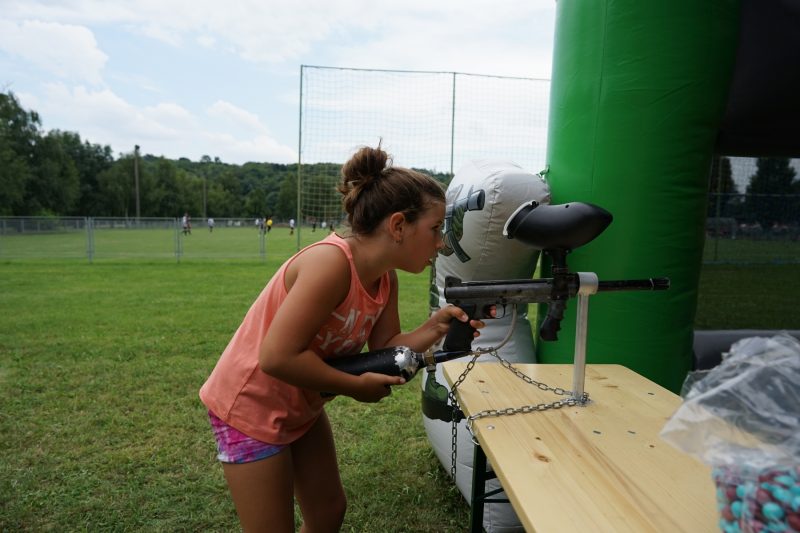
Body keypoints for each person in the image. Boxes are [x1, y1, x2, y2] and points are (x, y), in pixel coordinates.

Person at [199, 144, 490, 532]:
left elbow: (386, 345)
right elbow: (276, 357)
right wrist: (354, 386)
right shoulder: (331, 264)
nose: (440, 243)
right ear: (398, 226)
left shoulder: (384, 278)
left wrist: (436, 328)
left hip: (301, 403)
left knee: (328, 512)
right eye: (435, 229)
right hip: (249, 407)